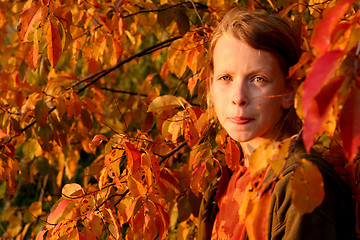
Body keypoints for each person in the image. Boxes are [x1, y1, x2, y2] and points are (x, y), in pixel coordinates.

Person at [198, 8, 355, 240]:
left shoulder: (302, 184)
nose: (238, 96)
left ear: (289, 91)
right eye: (226, 78)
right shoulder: (222, 185)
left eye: (258, 79)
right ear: (211, 85)